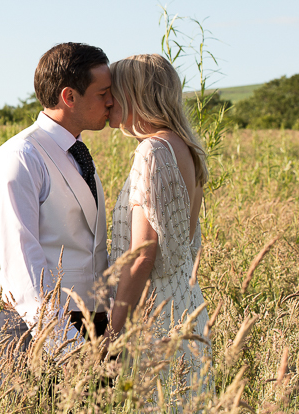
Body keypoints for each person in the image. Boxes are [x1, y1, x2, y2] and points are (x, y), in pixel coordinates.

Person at [0, 42, 114, 360]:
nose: (112, 102)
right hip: (39, 331)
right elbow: (21, 265)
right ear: (69, 97)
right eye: (103, 93)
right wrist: (65, 348)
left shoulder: (77, 152)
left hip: (93, 324)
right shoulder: (20, 157)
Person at [104, 54, 211, 383]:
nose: (107, 101)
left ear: (133, 96)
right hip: (186, 305)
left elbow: (142, 255)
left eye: (113, 91)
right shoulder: (184, 147)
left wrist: (110, 334)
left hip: (153, 318)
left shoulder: (153, 151)